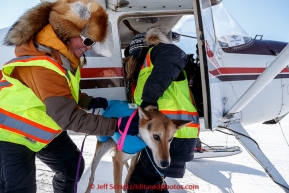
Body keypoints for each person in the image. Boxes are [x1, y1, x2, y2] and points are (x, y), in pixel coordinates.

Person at [0, 1, 138, 192]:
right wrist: (116, 125)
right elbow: (68, 117)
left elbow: (59, 93)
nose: (90, 48)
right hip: (10, 135)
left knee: (71, 168)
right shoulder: (42, 64)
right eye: (88, 40)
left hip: (41, 129)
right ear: (66, 33)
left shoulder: (64, 59)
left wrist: (87, 101)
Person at [123, 25, 200, 192]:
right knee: (153, 183)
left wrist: (149, 99)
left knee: (137, 185)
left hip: (173, 136)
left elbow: (175, 54)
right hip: (169, 137)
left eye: (131, 56)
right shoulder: (146, 70)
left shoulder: (157, 53)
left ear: (138, 53)